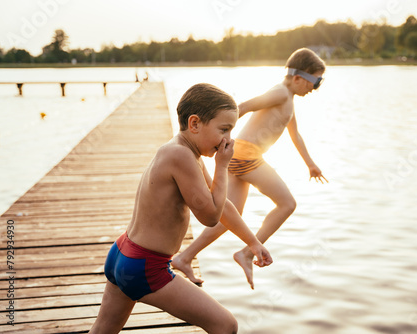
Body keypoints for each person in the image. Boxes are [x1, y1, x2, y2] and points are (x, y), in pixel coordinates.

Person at [89, 83, 272, 334]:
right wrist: (222, 167)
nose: (229, 140)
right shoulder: (182, 156)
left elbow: (224, 206)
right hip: (145, 266)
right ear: (195, 123)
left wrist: (253, 242)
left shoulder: (182, 150)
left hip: (123, 253)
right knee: (226, 325)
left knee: (103, 330)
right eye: (224, 129)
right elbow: (210, 216)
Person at [172, 48, 328, 290]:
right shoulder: (280, 93)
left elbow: (294, 134)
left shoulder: (289, 100)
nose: (314, 88)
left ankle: (184, 257)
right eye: (315, 82)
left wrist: (310, 163)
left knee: (229, 217)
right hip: (246, 155)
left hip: (244, 155)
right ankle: (247, 252)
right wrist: (225, 136)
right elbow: (242, 106)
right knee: (287, 203)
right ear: (298, 77)